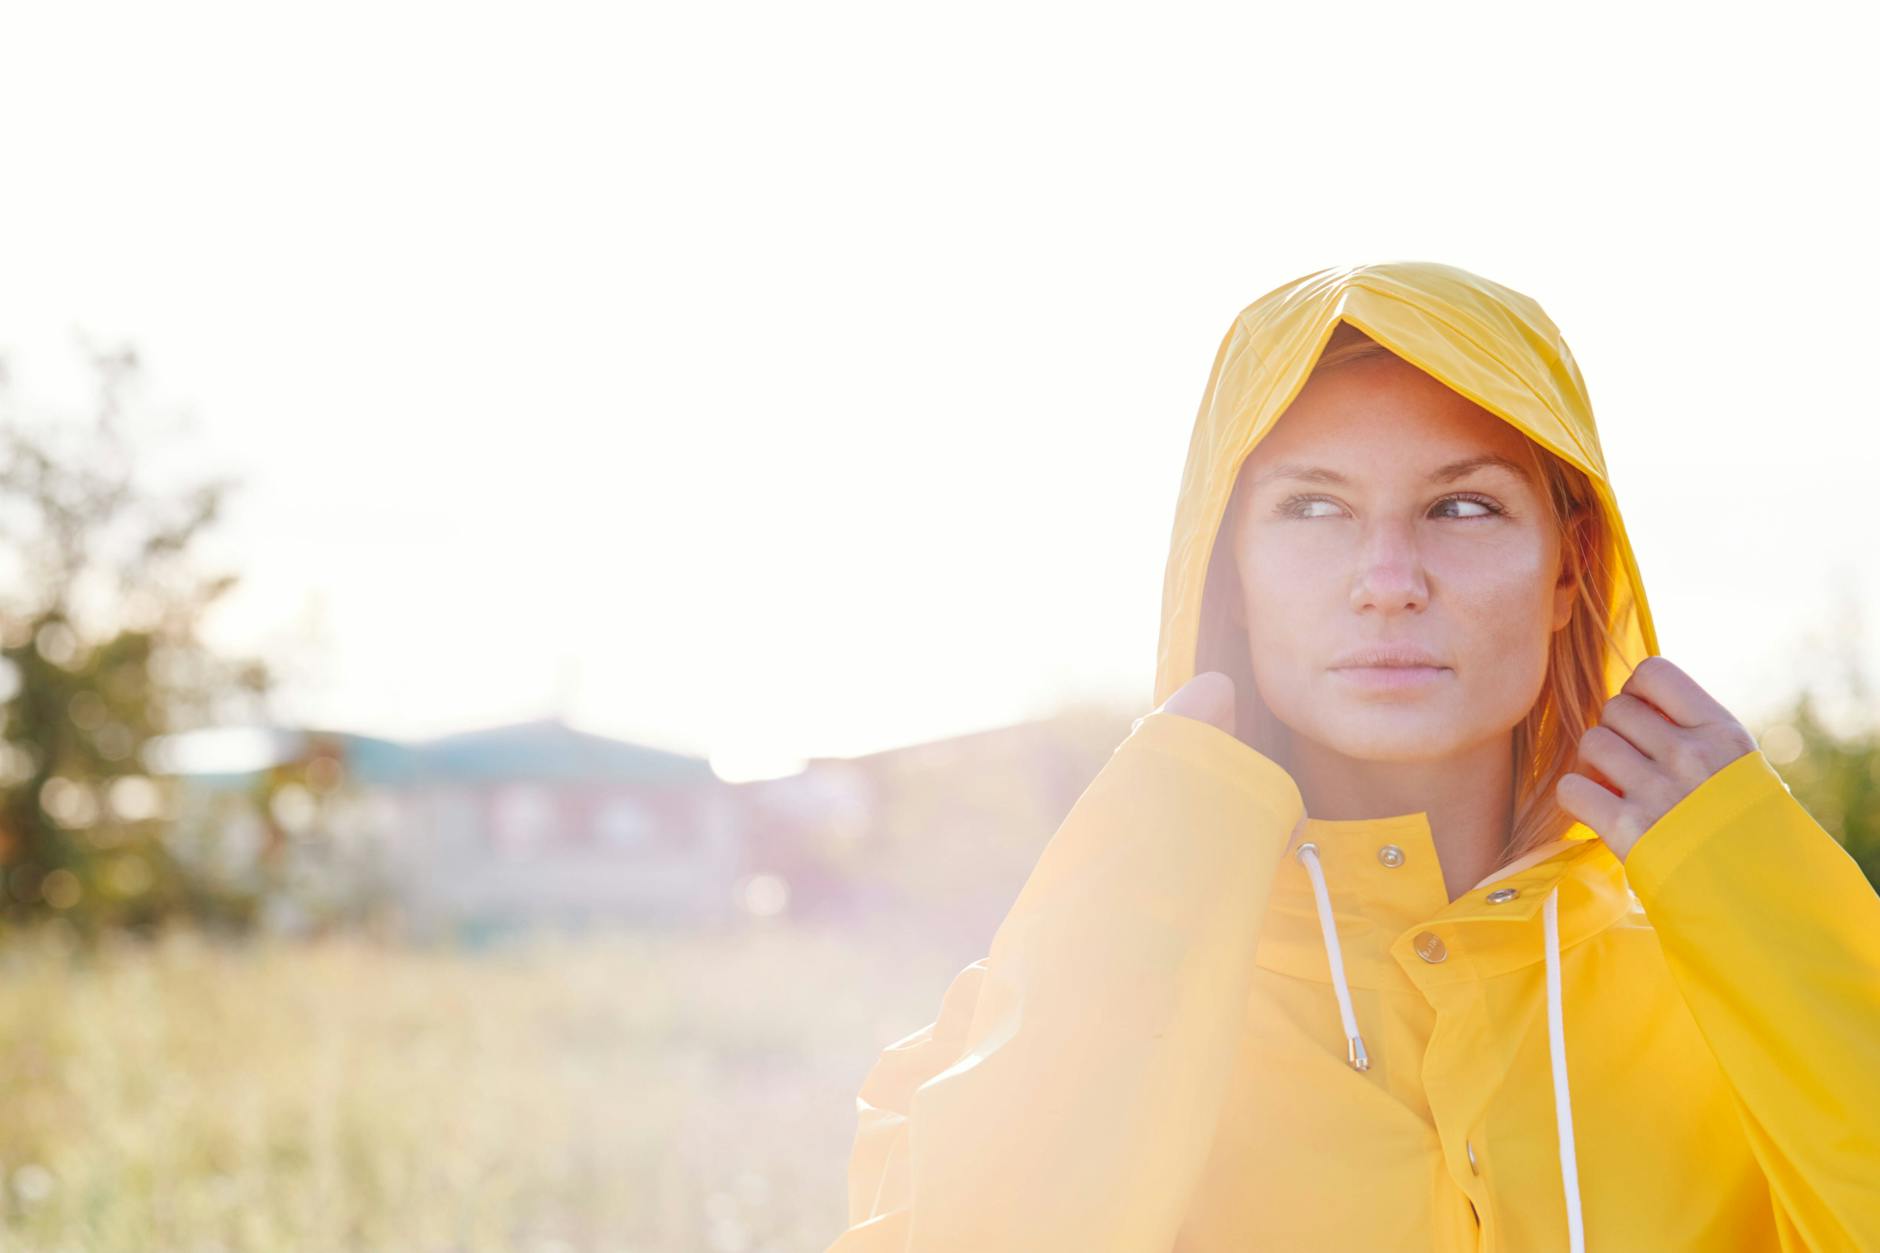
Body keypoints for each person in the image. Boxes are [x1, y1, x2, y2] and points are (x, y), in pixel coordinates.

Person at [826, 261, 1880, 1251]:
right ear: (1227, 570)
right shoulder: (1032, 1007)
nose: (1386, 577)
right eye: (1312, 507)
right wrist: (1145, 877)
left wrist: (1758, 893)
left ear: (1570, 569)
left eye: (1462, 505)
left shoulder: (1737, 983)